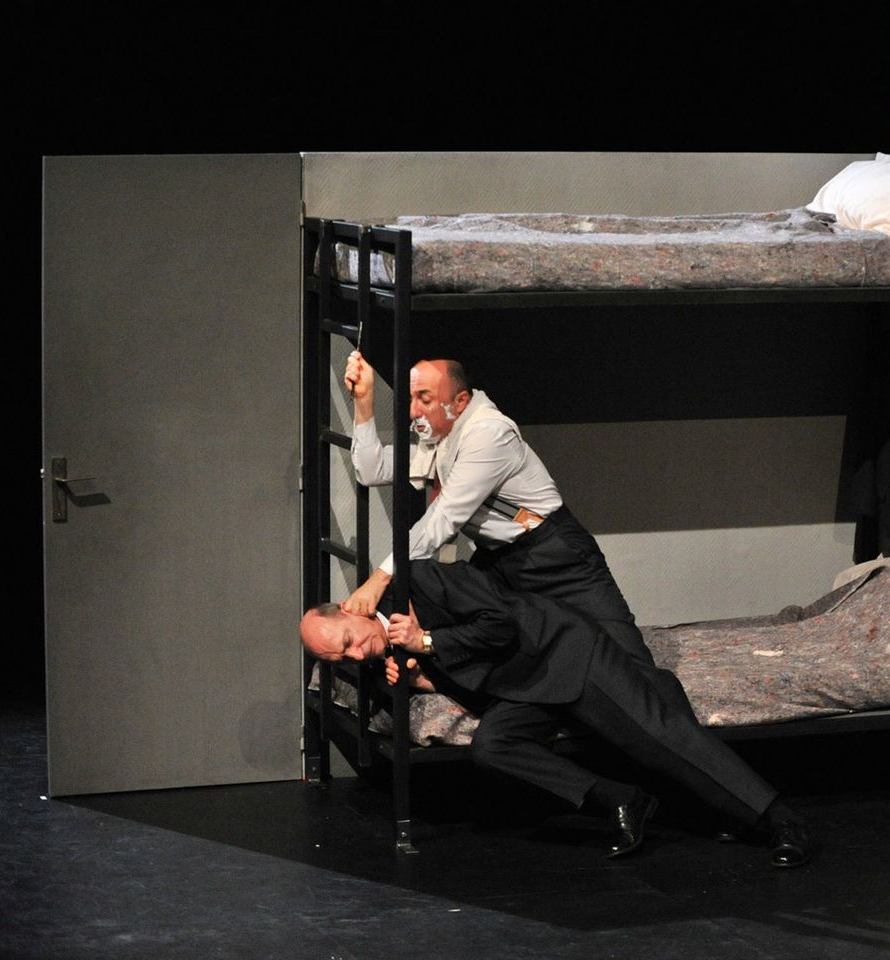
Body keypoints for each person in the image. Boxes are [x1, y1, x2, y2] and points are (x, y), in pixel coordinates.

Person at [301, 557, 814, 866]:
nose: (354, 655)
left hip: (562, 653)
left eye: (346, 642)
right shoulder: (375, 652)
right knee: (492, 747)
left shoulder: (424, 584)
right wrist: (422, 679)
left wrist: (429, 640)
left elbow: (500, 624)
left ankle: (780, 820)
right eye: (339, 658)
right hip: (520, 688)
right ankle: (622, 802)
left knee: (660, 735)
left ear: (349, 608)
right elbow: (465, 677)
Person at [339, 351, 652, 664]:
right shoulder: (441, 435)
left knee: (626, 655)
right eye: (411, 399)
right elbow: (372, 470)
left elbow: (444, 517)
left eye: (424, 399)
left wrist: (379, 578)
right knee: (463, 635)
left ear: (460, 402)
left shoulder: (487, 434)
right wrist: (364, 404)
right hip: (499, 558)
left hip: (553, 554)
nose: (413, 411)